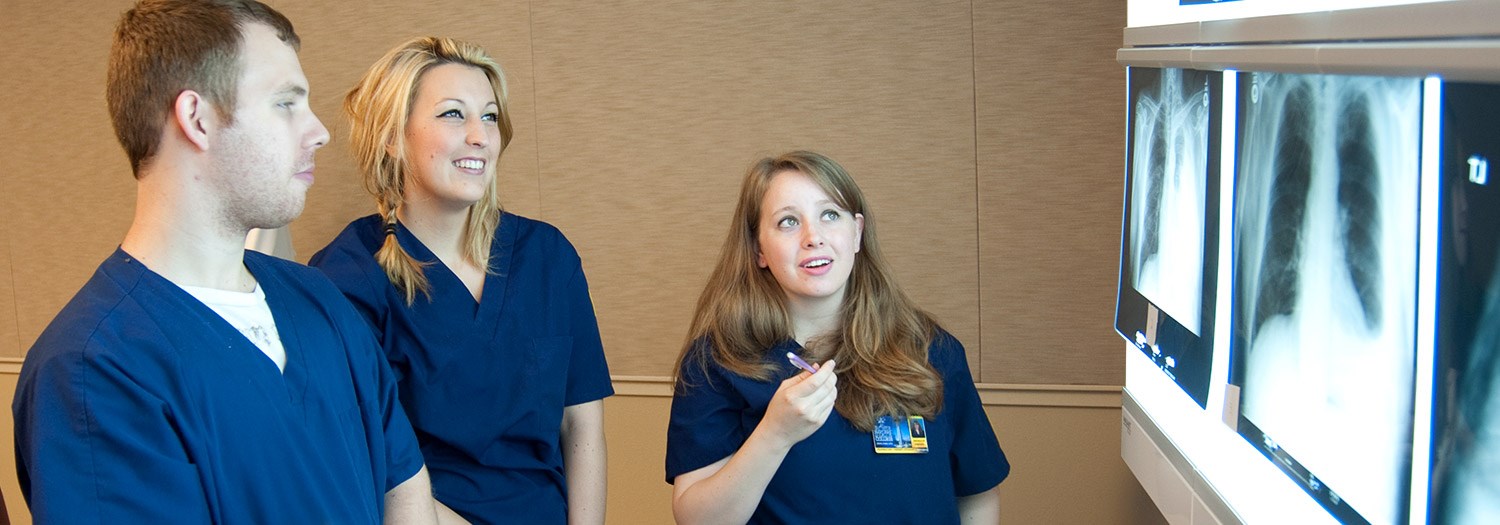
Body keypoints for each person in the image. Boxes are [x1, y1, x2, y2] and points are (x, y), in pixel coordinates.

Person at [10, 1, 439, 522]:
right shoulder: (93, 370)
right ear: (197, 119)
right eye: (286, 103)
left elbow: (404, 486)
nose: (319, 131)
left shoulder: (318, 299)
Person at [310, 37, 613, 525]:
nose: (480, 136)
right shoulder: (347, 278)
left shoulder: (548, 257)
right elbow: (368, 467)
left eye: (489, 117)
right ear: (393, 135)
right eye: (453, 114)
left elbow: (582, 427)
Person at [665, 151, 1009, 524]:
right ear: (758, 250)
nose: (813, 237)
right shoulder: (717, 362)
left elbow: (977, 494)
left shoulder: (931, 351)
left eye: (830, 215)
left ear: (857, 232)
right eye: (788, 222)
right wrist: (774, 434)